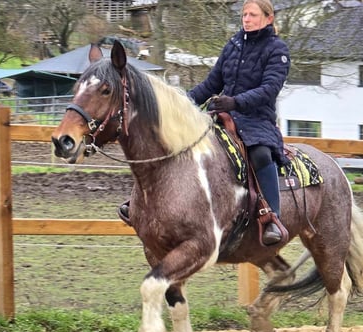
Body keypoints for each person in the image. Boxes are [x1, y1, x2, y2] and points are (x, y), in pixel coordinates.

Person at [119, 0, 290, 246]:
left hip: (256, 120)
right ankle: (140, 201)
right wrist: (181, 103)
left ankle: (272, 216)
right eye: (244, 14)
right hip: (221, 115)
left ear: (268, 18)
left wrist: (236, 102)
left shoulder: (277, 50)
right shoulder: (233, 44)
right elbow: (211, 84)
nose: (247, 19)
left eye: (252, 15)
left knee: (261, 154)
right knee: (178, 142)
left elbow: (269, 89)